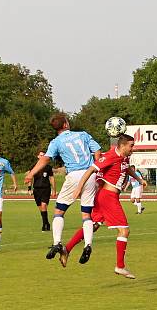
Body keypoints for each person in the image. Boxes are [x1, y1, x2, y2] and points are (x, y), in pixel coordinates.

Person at [24, 113, 101, 266]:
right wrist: (97, 168)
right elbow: (97, 151)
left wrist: (31, 173)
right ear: (65, 124)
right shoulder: (83, 134)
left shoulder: (56, 142)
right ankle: (88, 245)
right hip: (90, 174)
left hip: (73, 176)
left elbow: (45, 159)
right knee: (86, 214)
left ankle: (57, 242)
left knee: (59, 212)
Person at [66, 134, 146, 279]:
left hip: (106, 197)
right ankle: (120, 266)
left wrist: (139, 179)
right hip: (107, 197)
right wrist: (79, 188)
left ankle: (67, 249)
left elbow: (126, 168)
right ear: (122, 146)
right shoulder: (110, 156)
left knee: (94, 225)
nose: (133, 148)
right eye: (131, 145)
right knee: (124, 231)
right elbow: (90, 170)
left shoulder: (124, 157)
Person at [29, 151, 56, 231]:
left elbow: (52, 178)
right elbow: (30, 177)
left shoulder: (48, 167)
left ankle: (45, 225)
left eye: (44, 155)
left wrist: (54, 190)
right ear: (38, 156)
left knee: (44, 205)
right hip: (36, 189)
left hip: (46, 189)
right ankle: (46, 222)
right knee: (41, 208)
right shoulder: (34, 166)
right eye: (41, 155)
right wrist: (29, 188)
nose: (42, 157)